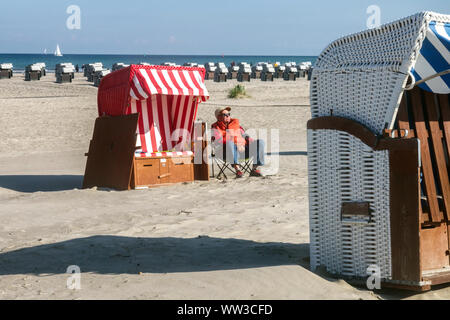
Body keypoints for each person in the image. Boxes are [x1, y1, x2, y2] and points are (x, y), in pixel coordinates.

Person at [211, 107, 265, 178]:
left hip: (243, 150)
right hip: (226, 152)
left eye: (228, 114)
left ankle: (254, 169)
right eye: (225, 114)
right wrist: (236, 143)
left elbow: (245, 136)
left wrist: (252, 142)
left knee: (260, 142)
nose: (228, 116)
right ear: (219, 117)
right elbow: (219, 141)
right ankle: (238, 170)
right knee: (229, 143)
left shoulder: (236, 125)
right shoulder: (215, 128)